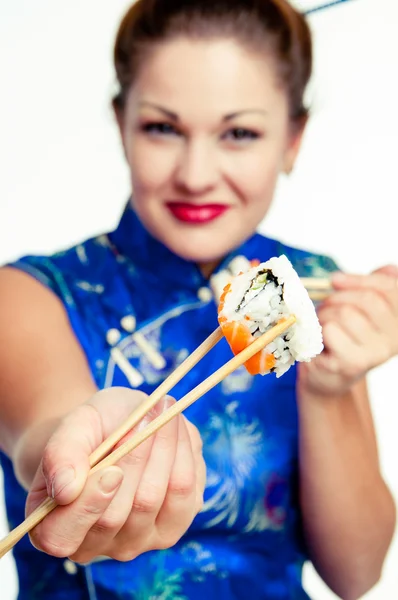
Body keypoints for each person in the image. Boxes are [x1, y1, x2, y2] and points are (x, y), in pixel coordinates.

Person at [0, 0, 397, 598]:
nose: (195, 174)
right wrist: (75, 443)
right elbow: (46, 434)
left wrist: (329, 387)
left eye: (239, 133)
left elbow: (357, 574)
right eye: (163, 127)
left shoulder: (317, 289)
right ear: (122, 124)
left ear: (293, 140)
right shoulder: (30, 293)